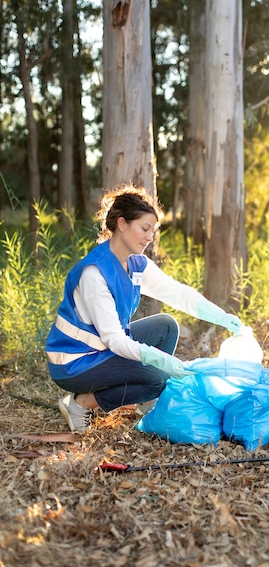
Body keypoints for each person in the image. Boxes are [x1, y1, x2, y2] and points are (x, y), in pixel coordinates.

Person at [46, 183, 243, 433]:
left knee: (166, 326)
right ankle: (80, 403)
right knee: (158, 378)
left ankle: (142, 399)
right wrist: (160, 360)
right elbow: (115, 340)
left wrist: (220, 316)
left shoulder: (137, 263)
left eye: (153, 230)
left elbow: (177, 293)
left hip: (100, 349)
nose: (150, 237)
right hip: (74, 362)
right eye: (145, 228)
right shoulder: (94, 274)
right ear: (122, 224)